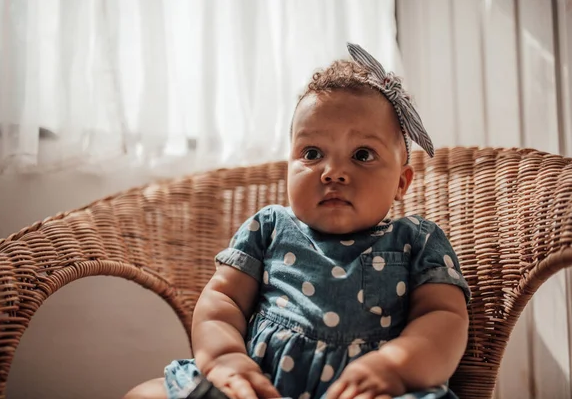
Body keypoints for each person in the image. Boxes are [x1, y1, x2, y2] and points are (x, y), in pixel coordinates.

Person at [124, 43, 470, 399]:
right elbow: (222, 303)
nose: (333, 172)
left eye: (362, 155)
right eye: (312, 153)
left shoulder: (416, 240)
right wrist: (227, 359)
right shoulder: (270, 228)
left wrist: (395, 367)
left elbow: (444, 318)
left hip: (369, 391)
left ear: (401, 182)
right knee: (144, 395)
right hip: (260, 386)